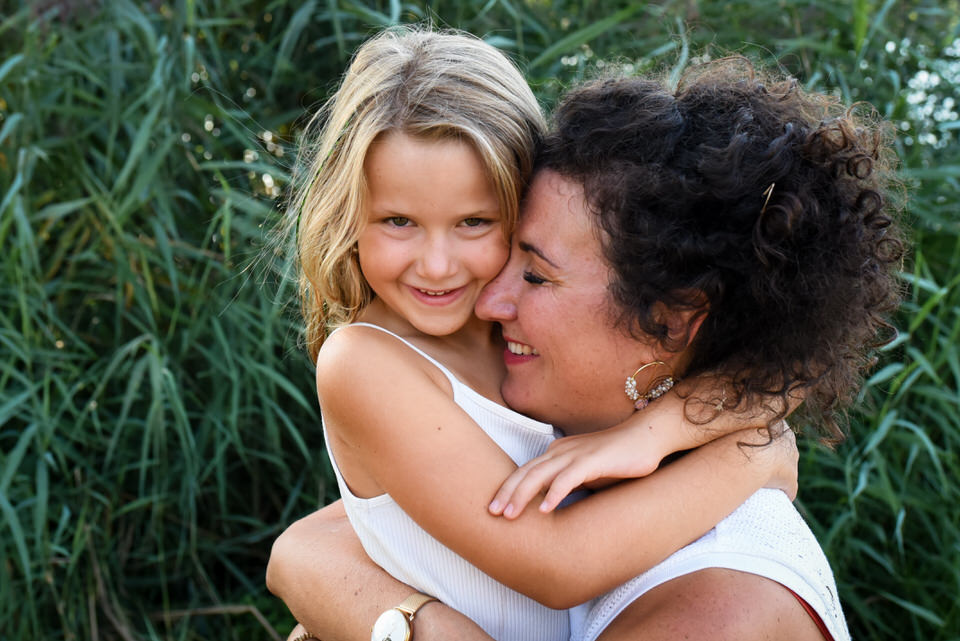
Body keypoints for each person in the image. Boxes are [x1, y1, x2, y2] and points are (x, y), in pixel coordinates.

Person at [268, 53, 904, 641]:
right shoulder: (380, 358)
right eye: (399, 222)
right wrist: (748, 455)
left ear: (675, 317)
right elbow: (529, 551)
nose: (446, 271)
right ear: (350, 215)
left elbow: (777, 385)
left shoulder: (718, 602)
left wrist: (677, 434)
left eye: (482, 227)